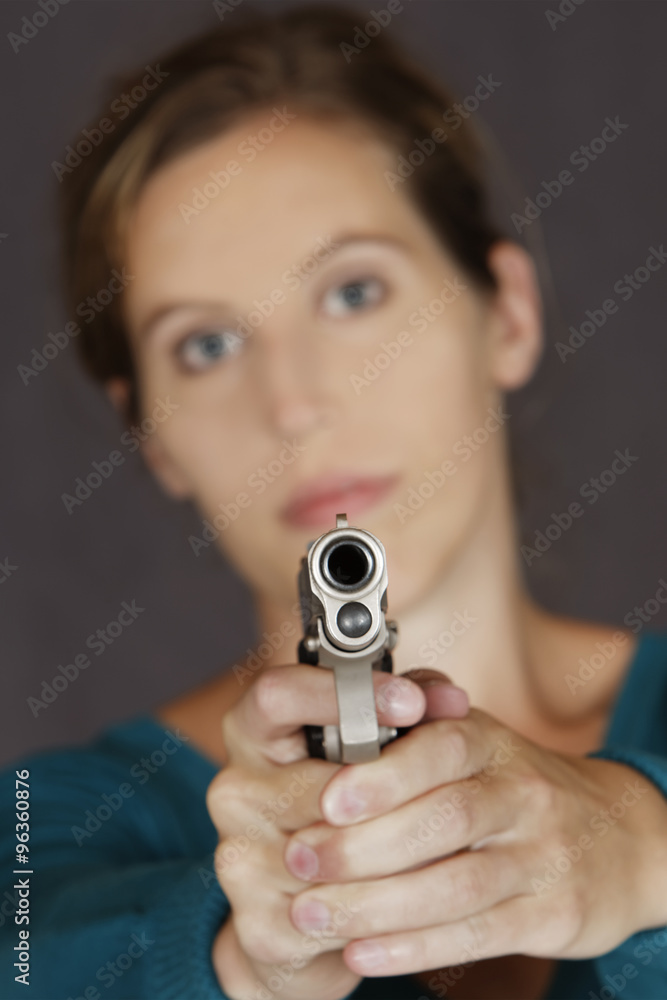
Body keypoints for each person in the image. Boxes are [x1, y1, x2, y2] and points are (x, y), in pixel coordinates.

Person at [2, 5, 667, 999]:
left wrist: (647, 852)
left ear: (508, 315)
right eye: (207, 345)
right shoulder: (49, 830)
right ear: (151, 431)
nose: (295, 405)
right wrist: (232, 961)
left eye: (353, 293)